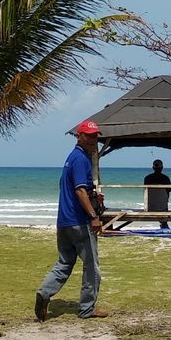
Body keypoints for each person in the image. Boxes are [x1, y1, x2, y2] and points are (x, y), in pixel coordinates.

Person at [35, 119, 106, 321]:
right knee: (92, 266)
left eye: (96, 136)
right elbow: (80, 190)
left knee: (64, 262)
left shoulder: (70, 159)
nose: (94, 140)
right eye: (89, 136)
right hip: (79, 222)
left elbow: (66, 187)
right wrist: (93, 216)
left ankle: (44, 292)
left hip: (64, 221)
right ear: (79, 136)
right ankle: (87, 309)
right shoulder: (81, 159)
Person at [143, 159, 171, 229]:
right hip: (163, 207)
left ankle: (163, 224)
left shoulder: (147, 178)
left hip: (150, 206)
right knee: (164, 201)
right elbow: (168, 193)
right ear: (162, 168)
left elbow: (145, 192)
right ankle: (164, 224)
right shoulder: (166, 178)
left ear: (153, 168)